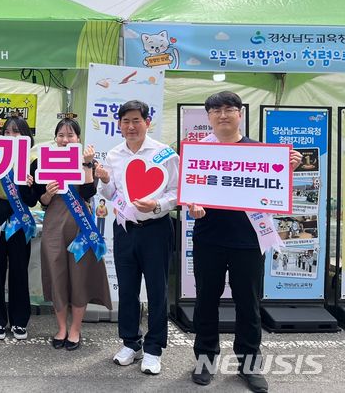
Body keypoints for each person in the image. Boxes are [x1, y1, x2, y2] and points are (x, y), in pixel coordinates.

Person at [189, 91, 301, 393]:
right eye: (215, 110)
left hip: (249, 240)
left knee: (248, 304)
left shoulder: (260, 151)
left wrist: (287, 169)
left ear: (240, 113)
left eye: (229, 109)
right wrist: (192, 205)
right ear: (208, 117)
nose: (222, 115)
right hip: (208, 238)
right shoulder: (199, 152)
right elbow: (188, 192)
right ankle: (205, 361)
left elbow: (276, 194)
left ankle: (249, 365)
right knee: (206, 301)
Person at [97, 100, 178, 375]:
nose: (131, 126)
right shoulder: (114, 155)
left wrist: (157, 205)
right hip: (124, 230)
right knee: (127, 289)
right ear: (119, 125)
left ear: (147, 122)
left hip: (156, 229)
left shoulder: (164, 153)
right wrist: (105, 180)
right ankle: (131, 342)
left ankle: (154, 348)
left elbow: (177, 192)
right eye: (126, 121)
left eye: (136, 120)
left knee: (157, 290)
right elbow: (108, 194)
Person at [33, 118, 111, 351]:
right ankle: (61, 328)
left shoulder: (89, 161)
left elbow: (88, 192)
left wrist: (87, 166)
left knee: (79, 275)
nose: (65, 140)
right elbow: (41, 200)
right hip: (54, 224)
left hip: (80, 225)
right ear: (55, 138)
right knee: (56, 273)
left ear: (79, 138)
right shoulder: (43, 161)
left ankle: (75, 329)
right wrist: (47, 192)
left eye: (71, 135)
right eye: (61, 135)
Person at [0, 116, 38, 340]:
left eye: (17, 131)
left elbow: (33, 200)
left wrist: (30, 186)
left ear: (26, 136)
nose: (12, 136)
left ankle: (20, 320)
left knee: (19, 269)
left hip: (21, 214)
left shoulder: (33, 159)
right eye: (8, 132)